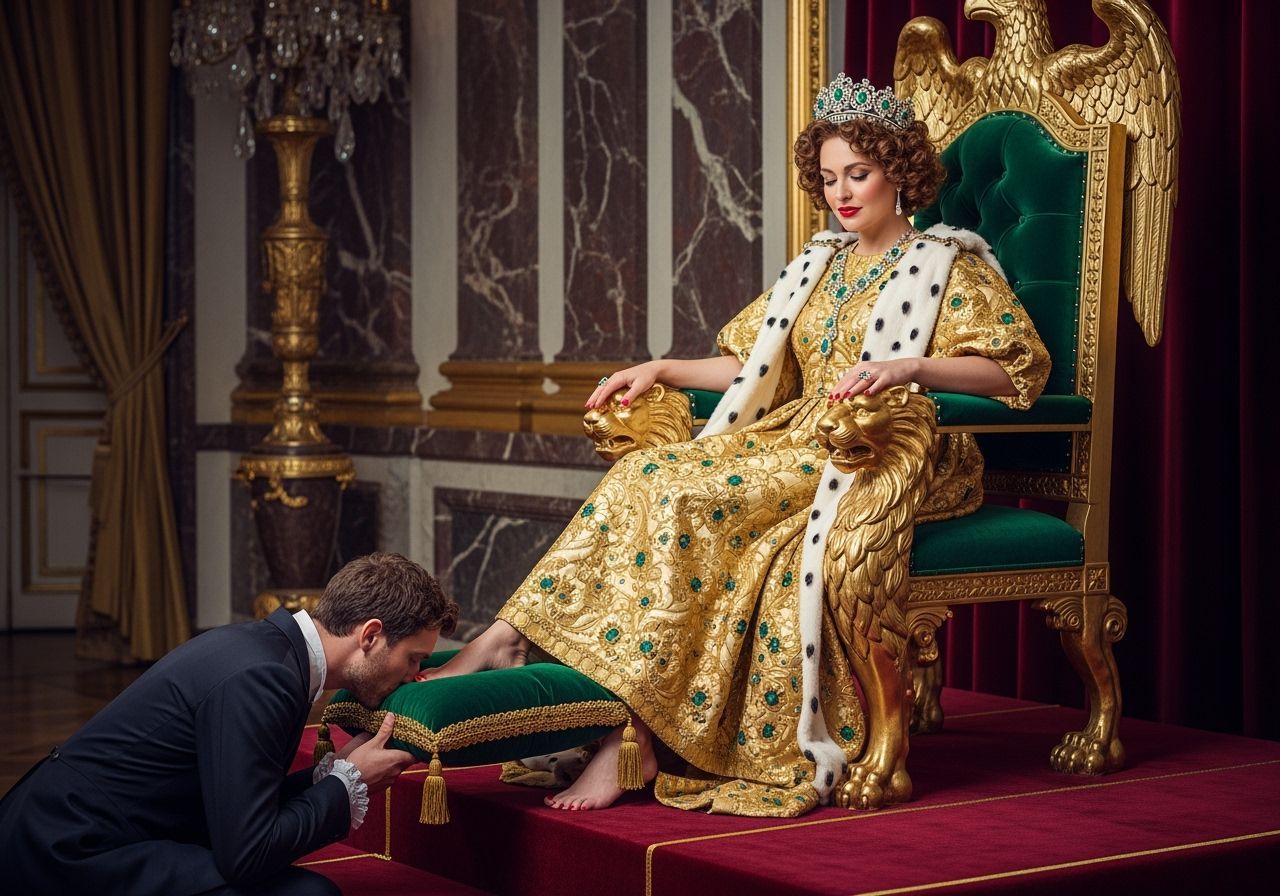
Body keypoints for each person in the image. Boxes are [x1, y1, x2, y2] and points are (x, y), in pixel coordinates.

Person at [425, 74, 1050, 817]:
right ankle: (515, 642)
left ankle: (629, 736)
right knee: (646, 474)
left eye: (858, 174)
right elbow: (752, 368)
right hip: (795, 437)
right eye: (829, 178)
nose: (842, 194)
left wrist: (910, 367)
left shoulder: (947, 263)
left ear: (897, 172)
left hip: (885, 449)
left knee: (687, 497)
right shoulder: (819, 265)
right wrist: (660, 367)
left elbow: (1014, 370)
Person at [0, 552, 459, 895]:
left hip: (91, 829)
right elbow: (247, 854)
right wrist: (347, 784)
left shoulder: (274, 654)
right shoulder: (264, 678)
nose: (414, 674)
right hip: (68, 851)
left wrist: (330, 774)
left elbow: (238, 805)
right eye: (413, 658)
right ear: (371, 635)